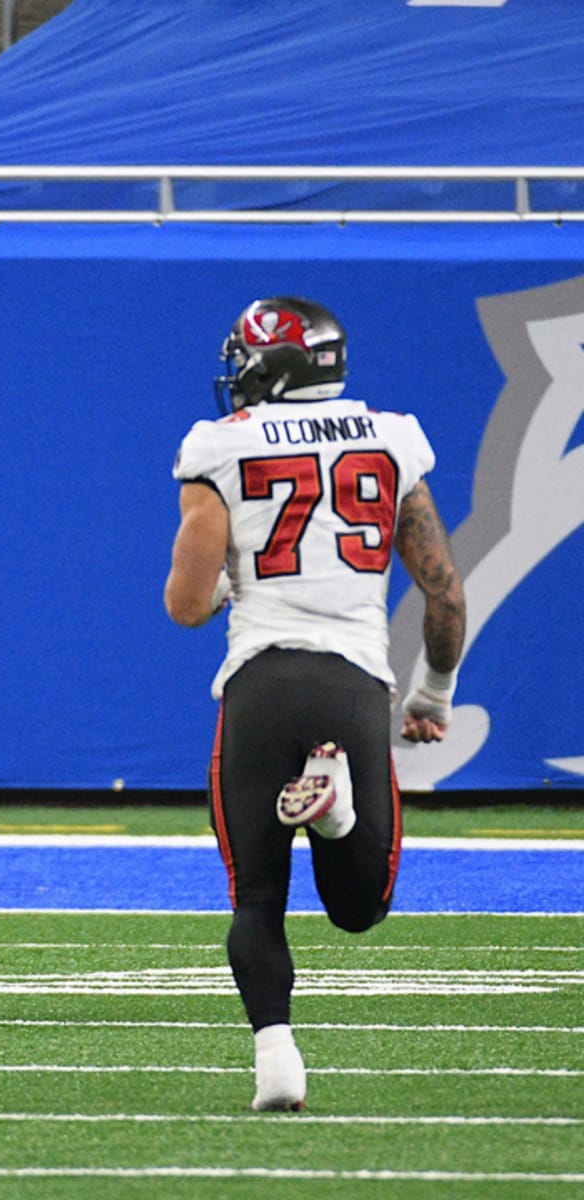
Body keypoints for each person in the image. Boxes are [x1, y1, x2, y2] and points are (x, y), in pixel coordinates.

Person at [163, 296, 465, 1112]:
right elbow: (443, 596)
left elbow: (187, 604)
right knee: (359, 908)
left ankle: (278, 1069)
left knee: (257, 898)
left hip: (262, 683)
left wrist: (229, 577)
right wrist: (432, 694)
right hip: (354, 685)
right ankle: (332, 814)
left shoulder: (219, 446)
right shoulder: (392, 437)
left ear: (271, 366)